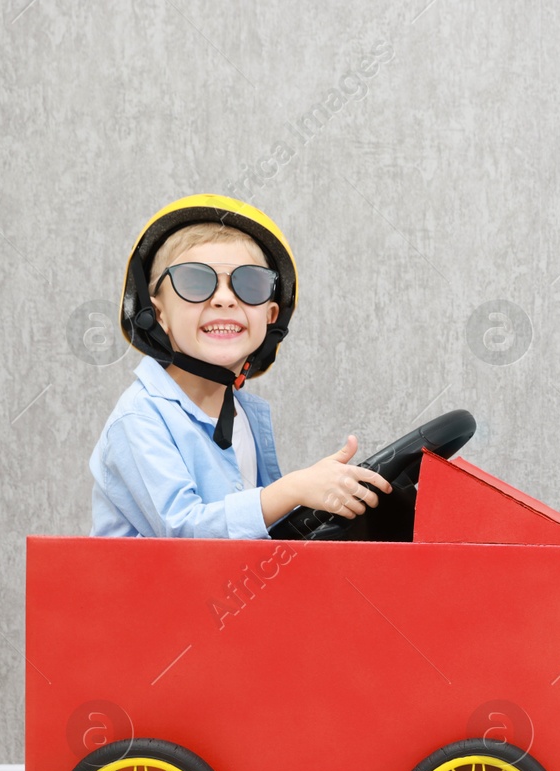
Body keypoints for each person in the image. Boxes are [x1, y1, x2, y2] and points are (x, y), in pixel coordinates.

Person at [89, 193, 391, 537]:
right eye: (194, 281)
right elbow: (183, 533)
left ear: (269, 315)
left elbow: (260, 538)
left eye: (249, 284)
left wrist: (319, 494)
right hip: (150, 592)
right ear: (160, 315)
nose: (224, 298)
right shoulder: (140, 418)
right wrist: (291, 489)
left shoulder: (244, 416)